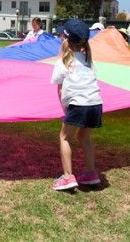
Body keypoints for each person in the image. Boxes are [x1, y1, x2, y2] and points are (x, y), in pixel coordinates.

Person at [50, 19, 103, 190]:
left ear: (64, 39)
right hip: (95, 105)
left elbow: (60, 90)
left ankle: (67, 177)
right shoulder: (88, 61)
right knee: (84, 137)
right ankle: (90, 173)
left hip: (78, 105)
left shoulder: (62, 63)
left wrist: (65, 109)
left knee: (64, 137)